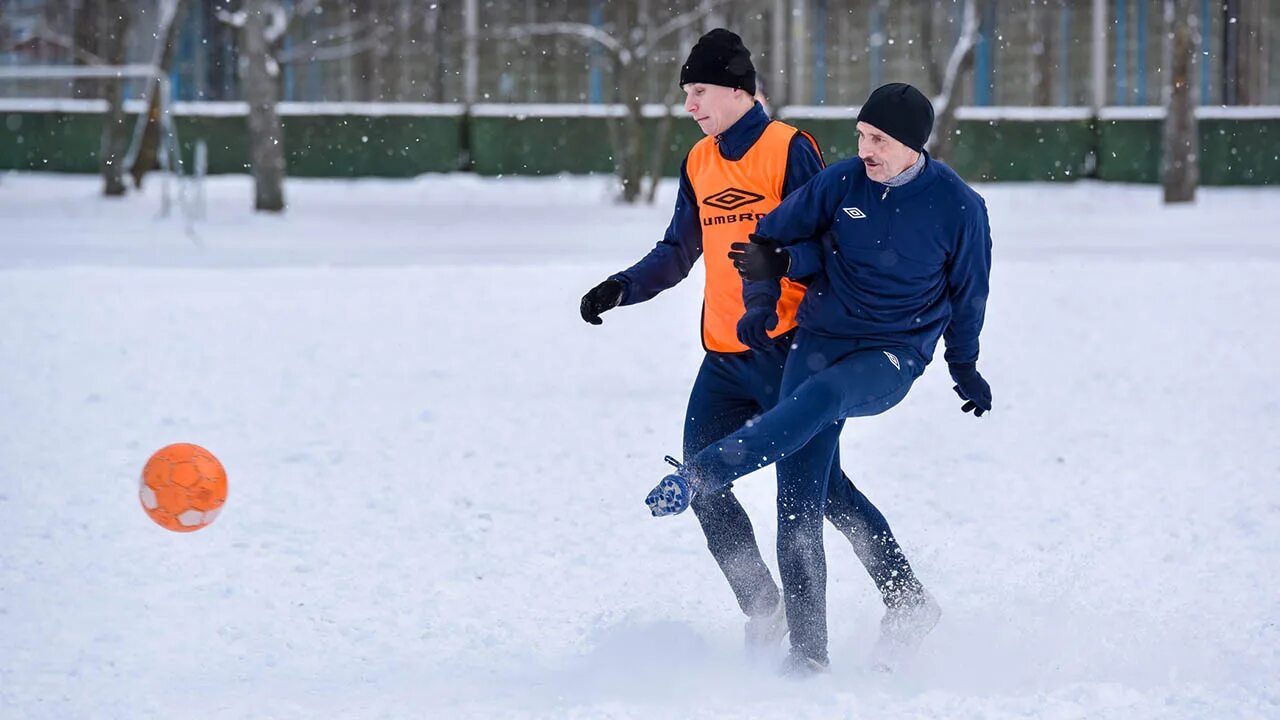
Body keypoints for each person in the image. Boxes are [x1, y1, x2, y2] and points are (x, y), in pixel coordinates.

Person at [581, 31, 930, 655]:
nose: (689, 104)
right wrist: (622, 287)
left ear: (739, 91)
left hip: (794, 353)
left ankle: (852, 632)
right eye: (686, 93)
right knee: (703, 484)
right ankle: (764, 608)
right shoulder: (699, 160)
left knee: (815, 499)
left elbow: (829, 244)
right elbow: (679, 251)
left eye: (699, 91)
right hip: (723, 358)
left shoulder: (790, 148)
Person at [645, 82, 993, 675]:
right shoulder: (841, 184)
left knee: (825, 399)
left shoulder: (958, 206)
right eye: (860, 135)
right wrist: (765, 292)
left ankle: (705, 472)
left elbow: (969, 296)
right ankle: (840, 639)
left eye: (878, 139)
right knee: (803, 496)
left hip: (890, 354)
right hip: (819, 340)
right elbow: (775, 238)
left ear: (912, 145)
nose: (865, 149)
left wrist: (964, 367)